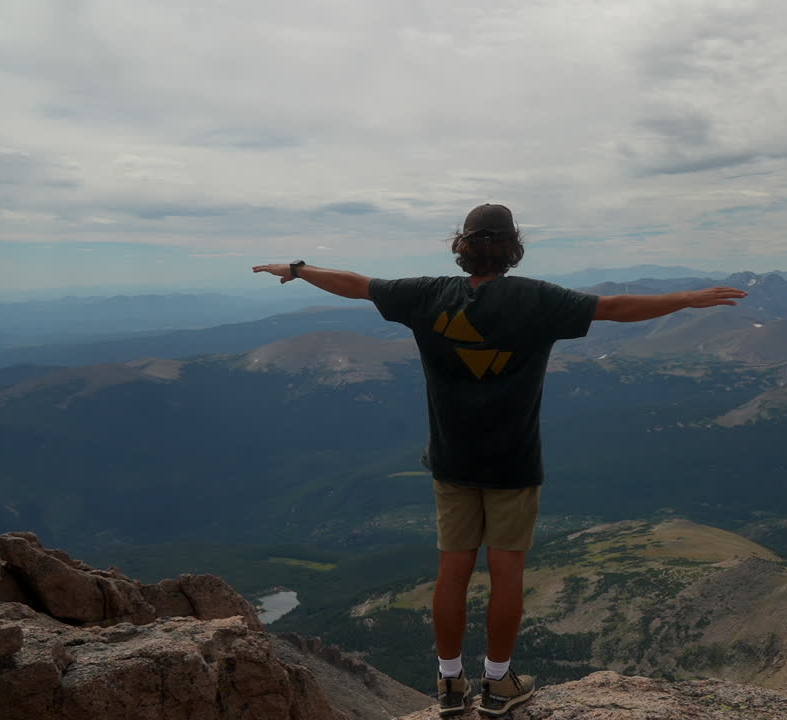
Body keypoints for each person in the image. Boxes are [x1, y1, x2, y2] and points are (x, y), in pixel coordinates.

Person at [252, 203, 746, 717]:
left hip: (451, 461)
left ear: (461, 246)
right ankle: (498, 683)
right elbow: (615, 307)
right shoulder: (537, 298)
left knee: (452, 572)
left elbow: (358, 284)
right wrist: (687, 299)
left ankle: (448, 684)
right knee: (507, 573)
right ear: (514, 248)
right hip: (513, 463)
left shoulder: (426, 295)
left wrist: (299, 270)